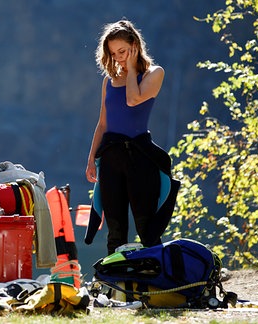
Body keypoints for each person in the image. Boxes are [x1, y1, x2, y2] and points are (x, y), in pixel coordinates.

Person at [84, 20, 178, 255]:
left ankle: (154, 282)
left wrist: (133, 70)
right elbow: (103, 123)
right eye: (113, 53)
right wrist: (91, 159)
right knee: (115, 229)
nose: (118, 58)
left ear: (135, 46)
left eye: (123, 52)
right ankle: (116, 287)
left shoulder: (154, 73)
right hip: (111, 158)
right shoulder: (109, 81)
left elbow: (133, 100)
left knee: (146, 228)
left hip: (140, 157)